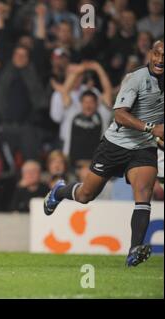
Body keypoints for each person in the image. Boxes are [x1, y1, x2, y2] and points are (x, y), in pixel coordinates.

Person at [43, 41, 164, 267]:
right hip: (116, 144)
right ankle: (59, 192)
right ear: (150, 54)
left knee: (144, 191)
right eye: (156, 54)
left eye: (163, 56)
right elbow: (119, 115)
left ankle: (134, 249)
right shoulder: (136, 79)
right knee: (85, 195)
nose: (160, 59)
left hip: (144, 147)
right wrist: (151, 128)